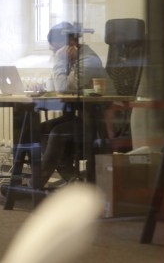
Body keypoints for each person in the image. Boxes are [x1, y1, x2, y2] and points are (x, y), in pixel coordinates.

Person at [37, 22, 113, 187]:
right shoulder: (74, 58)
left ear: (70, 45)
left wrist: (60, 60)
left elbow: (64, 88)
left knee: (58, 132)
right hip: (84, 116)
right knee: (41, 130)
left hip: (101, 123)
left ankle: (36, 184)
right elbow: (63, 88)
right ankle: (72, 179)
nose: (55, 54)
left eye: (56, 50)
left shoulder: (89, 61)